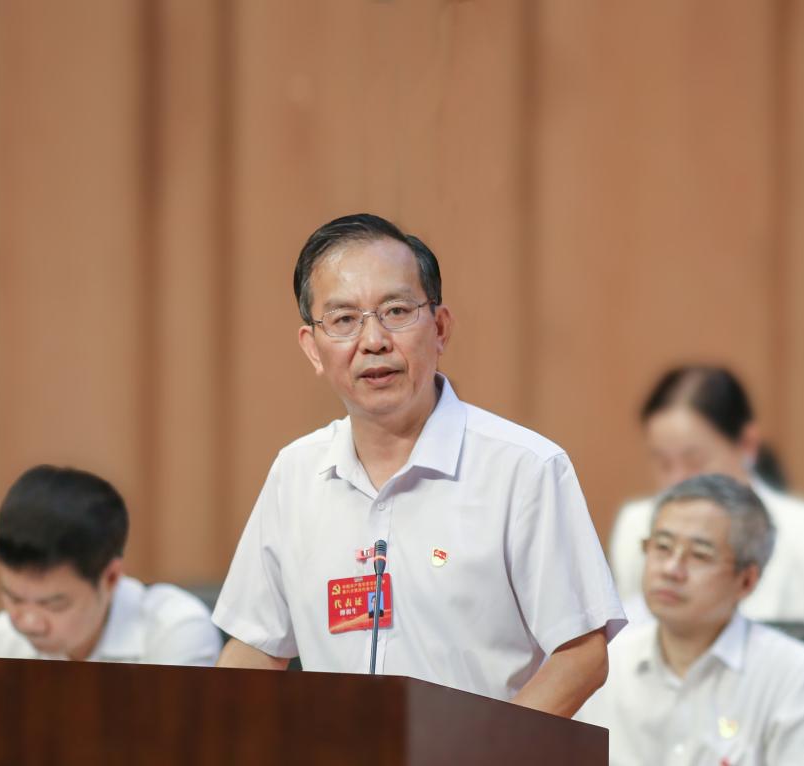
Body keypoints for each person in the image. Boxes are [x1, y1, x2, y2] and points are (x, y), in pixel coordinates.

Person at [212, 213, 625, 716]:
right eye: (344, 320)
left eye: (396, 311)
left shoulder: (524, 468)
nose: (373, 340)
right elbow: (256, 649)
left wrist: (492, 751)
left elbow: (580, 655)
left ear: (440, 328)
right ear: (313, 348)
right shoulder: (295, 473)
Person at [0, 464, 222, 760]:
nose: (29, 622)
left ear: (110, 577)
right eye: (13, 597)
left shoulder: (174, 632)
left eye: (53, 605)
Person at [577, 474, 804, 765]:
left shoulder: (795, 675)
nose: (671, 569)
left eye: (699, 555)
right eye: (662, 547)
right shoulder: (605, 664)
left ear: (746, 581)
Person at [610, 365, 804, 623]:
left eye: (695, 461)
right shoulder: (636, 524)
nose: (678, 481)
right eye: (663, 463)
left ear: (747, 443)